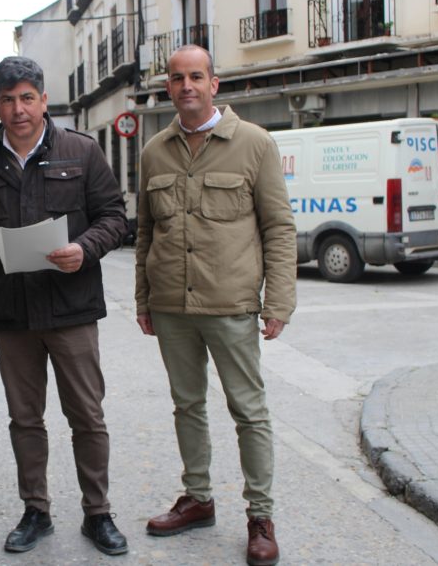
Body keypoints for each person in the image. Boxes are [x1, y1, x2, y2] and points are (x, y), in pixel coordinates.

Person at [0, 56, 129, 556]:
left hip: (72, 308)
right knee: (25, 419)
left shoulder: (82, 151)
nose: (17, 109)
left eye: (26, 97)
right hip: (12, 314)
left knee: (87, 416)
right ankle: (36, 510)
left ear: (43, 100)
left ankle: (98, 513)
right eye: (7, 99)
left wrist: (85, 248)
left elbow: (115, 217)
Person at [134, 45, 296, 566]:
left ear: (214, 84)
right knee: (187, 406)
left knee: (249, 411)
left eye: (196, 76)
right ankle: (198, 499)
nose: (186, 86)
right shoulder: (154, 151)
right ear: (169, 88)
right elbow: (145, 235)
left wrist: (280, 301)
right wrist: (144, 299)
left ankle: (261, 517)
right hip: (172, 306)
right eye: (177, 78)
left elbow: (278, 227)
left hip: (231, 306)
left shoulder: (254, 144)